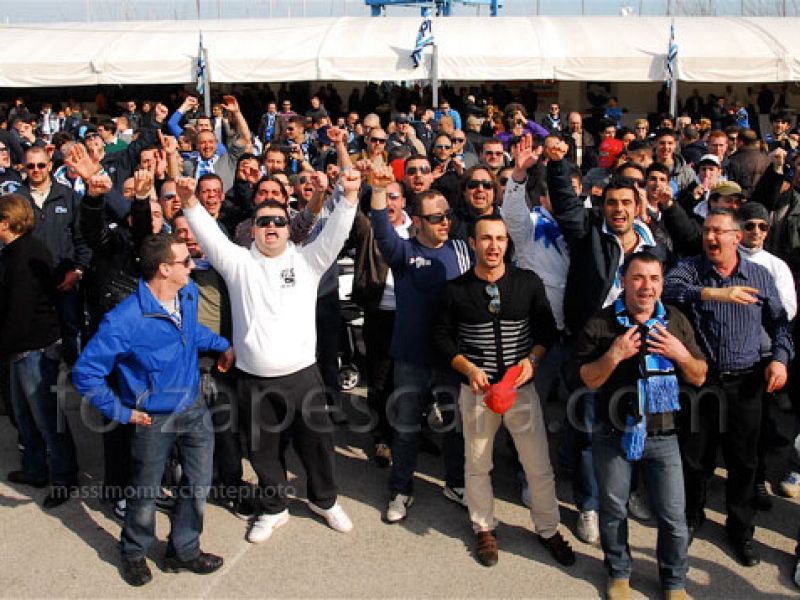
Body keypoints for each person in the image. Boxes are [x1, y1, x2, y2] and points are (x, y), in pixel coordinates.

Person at [179, 169, 360, 543]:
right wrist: (190, 204)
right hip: (254, 380)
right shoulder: (237, 263)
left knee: (318, 446)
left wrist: (352, 194)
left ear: (289, 227)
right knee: (263, 451)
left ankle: (325, 501)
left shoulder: (308, 261)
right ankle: (274, 508)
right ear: (253, 228)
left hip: (303, 376)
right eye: (264, 222)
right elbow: (209, 235)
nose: (272, 226)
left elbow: (338, 231)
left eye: (279, 220)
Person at [72, 233, 233, 586]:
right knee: (144, 491)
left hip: (193, 408)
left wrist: (222, 345)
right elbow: (85, 373)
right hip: (152, 418)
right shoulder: (124, 320)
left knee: (198, 483)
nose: (192, 266)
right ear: (164, 269)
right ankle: (133, 552)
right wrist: (121, 411)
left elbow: (191, 333)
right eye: (185, 261)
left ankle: (184, 549)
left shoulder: (186, 294)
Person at [432, 214, 575, 568]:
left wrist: (533, 361)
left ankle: (548, 528)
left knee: (538, 465)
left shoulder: (527, 283)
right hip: (477, 391)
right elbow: (440, 338)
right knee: (478, 464)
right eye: (486, 239)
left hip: (520, 389)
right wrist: (467, 368)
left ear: (507, 243)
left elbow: (546, 332)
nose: (493, 246)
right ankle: (484, 528)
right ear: (473, 243)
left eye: (499, 239)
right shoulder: (455, 290)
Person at [663, 208, 792, 567]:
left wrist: (780, 359)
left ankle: (741, 528)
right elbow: (669, 289)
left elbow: (781, 323)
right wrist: (716, 294)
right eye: (707, 230)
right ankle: (692, 516)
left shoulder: (760, 274)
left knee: (744, 461)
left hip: (746, 380)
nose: (711, 238)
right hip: (703, 381)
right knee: (695, 456)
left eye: (719, 231)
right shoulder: (692, 268)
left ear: (737, 238)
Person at [576, 252, 707, 600]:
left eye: (653, 279)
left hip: (662, 435)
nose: (646, 287)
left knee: (673, 517)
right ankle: (618, 573)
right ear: (623, 280)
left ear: (662, 284)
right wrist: (614, 354)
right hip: (612, 432)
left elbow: (699, 375)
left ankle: (674, 581)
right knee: (614, 510)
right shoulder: (601, 324)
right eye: (638, 278)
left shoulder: (675, 321)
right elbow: (588, 379)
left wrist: (680, 354)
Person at [369, 167, 472, 523]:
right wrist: (380, 189)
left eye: (447, 215)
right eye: (436, 217)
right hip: (411, 358)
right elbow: (380, 228)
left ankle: (456, 483)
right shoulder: (403, 252)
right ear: (418, 221)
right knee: (407, 428)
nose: (445, 222)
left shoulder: (462, 250)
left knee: (455, 428)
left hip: (451, 360)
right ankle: (401, 490)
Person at [0, 193, 79, 508]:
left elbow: (20, 313)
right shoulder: (13, 252)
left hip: (35, 348)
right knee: (24, 416)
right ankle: (35, 469)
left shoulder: (25, 256)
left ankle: (64, 476)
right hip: (21, 348)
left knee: (47, 417)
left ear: (6, 223)